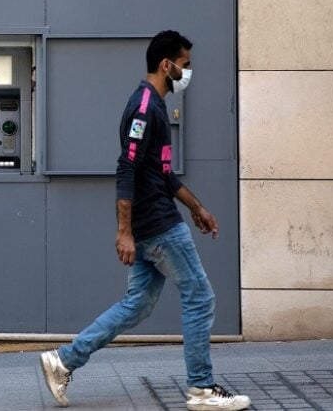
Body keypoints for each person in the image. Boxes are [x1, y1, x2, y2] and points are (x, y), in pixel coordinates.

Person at [40, 30, 251, 411]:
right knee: (200, 297)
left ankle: (64, 360)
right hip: (157, 225)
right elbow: (127, 168)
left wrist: (197, 207)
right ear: (166, 65)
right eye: (185, 65)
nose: (189, 72)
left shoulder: (155, 106)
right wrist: (123, 232)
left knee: (137, 304)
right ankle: (201, 389)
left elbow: (163, 175)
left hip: (152, 222)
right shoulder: (144, 107)